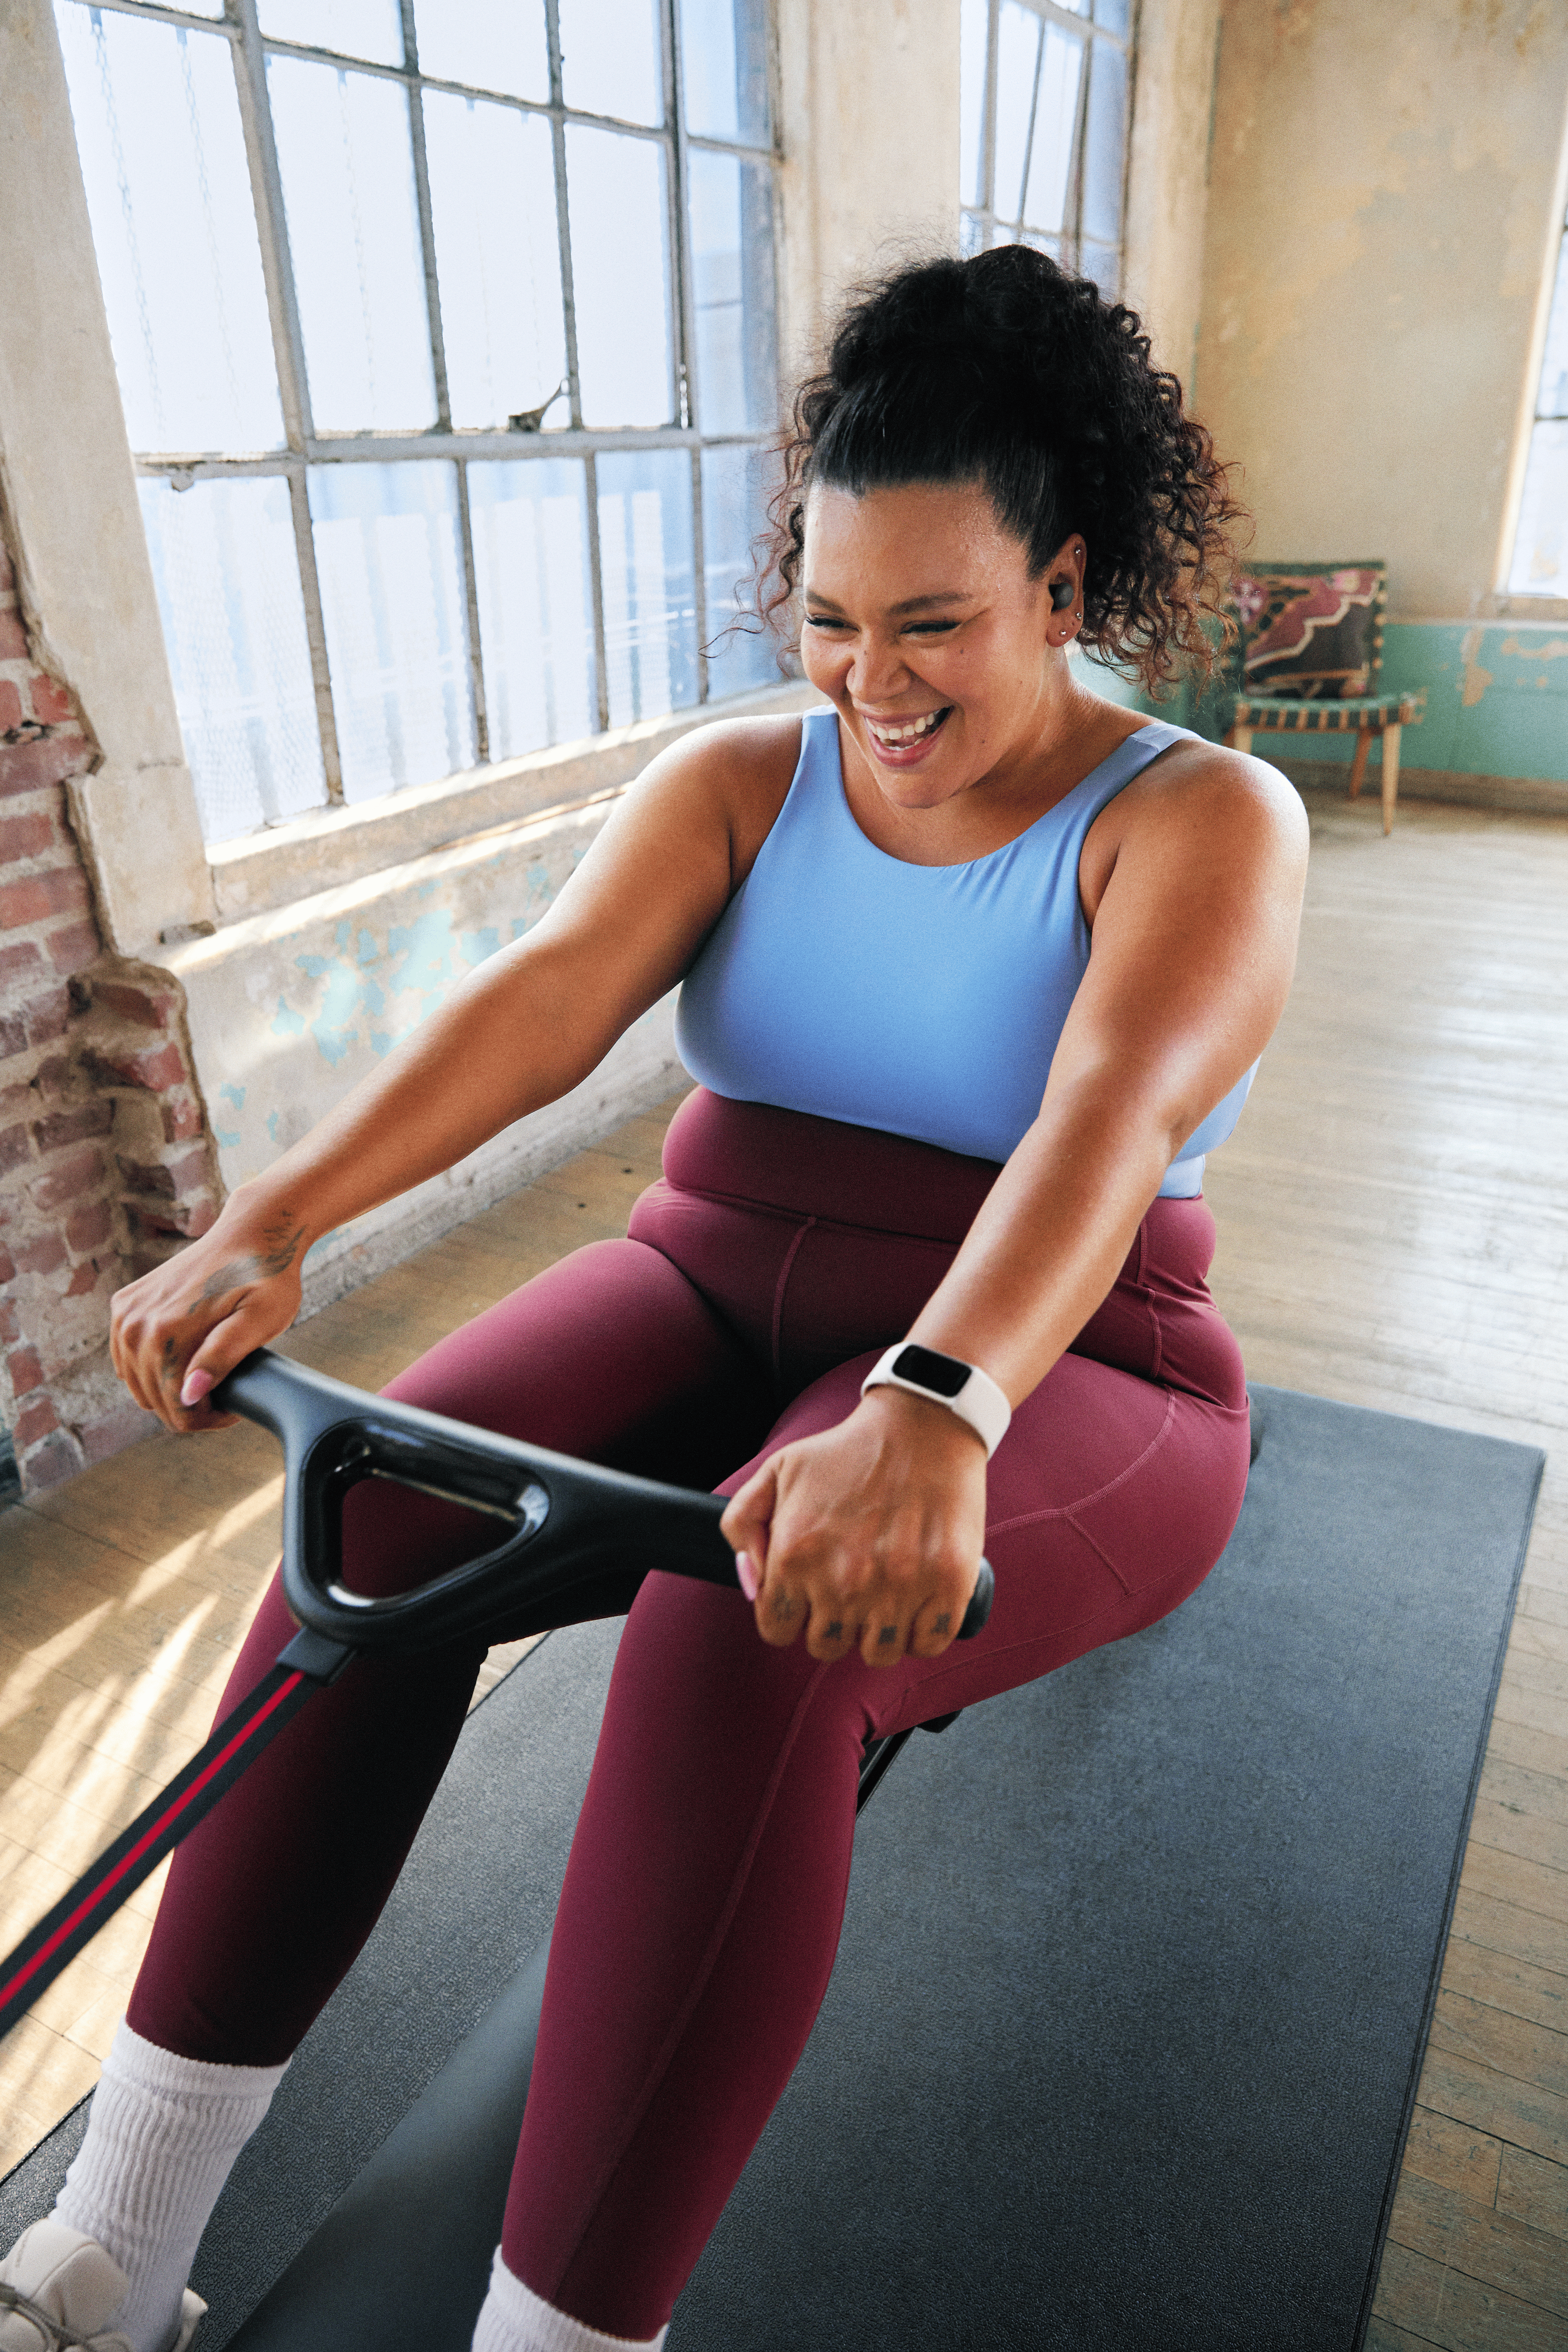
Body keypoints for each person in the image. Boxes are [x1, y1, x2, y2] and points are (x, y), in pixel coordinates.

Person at [0, 244, 1307, 2352]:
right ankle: (108, 2258)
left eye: (934, 626)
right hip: (713, 1264)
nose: (869, 684)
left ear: (1070, 585)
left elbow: (1110, 1103)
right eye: (827, 622)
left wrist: (942, 1407)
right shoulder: (739, 786)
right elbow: (545, 1005)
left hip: (1073, 1342)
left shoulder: (1202, 819)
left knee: (742, 1622)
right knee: (380, 1510)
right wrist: (278, 1216)